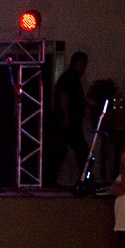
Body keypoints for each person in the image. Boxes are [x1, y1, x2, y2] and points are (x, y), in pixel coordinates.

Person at [48, 52, 89, 185]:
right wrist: (66, 116)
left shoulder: (70, 77)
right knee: (79, 150)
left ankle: (52, 179)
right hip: (69, 122)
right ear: (80, 63)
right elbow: (64, 97)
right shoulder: (70, 77)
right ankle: (85, 178)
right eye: (84, 64)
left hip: (70, 121)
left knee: (62, 150)